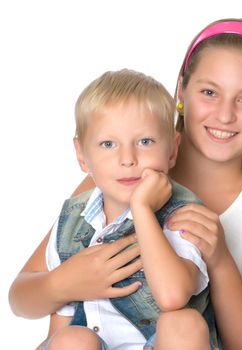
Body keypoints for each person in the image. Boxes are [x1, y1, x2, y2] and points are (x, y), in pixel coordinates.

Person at [8, 19, 242, 349]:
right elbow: (21, 297)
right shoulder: (116, 178)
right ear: (182, 91)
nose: (225, 115)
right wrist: (61, 285)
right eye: (209, 92)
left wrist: (219, 260)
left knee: (181, 324)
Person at [29, 68, 216, 350]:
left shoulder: (182, 215)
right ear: (82, 156)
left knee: (184, 324)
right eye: (108, 144)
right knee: (71, 340)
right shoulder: (72, 221)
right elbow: (59, 322)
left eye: (145, 142)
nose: (127, 159)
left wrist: (142, 209)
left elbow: (172, 296)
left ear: (173, 149)